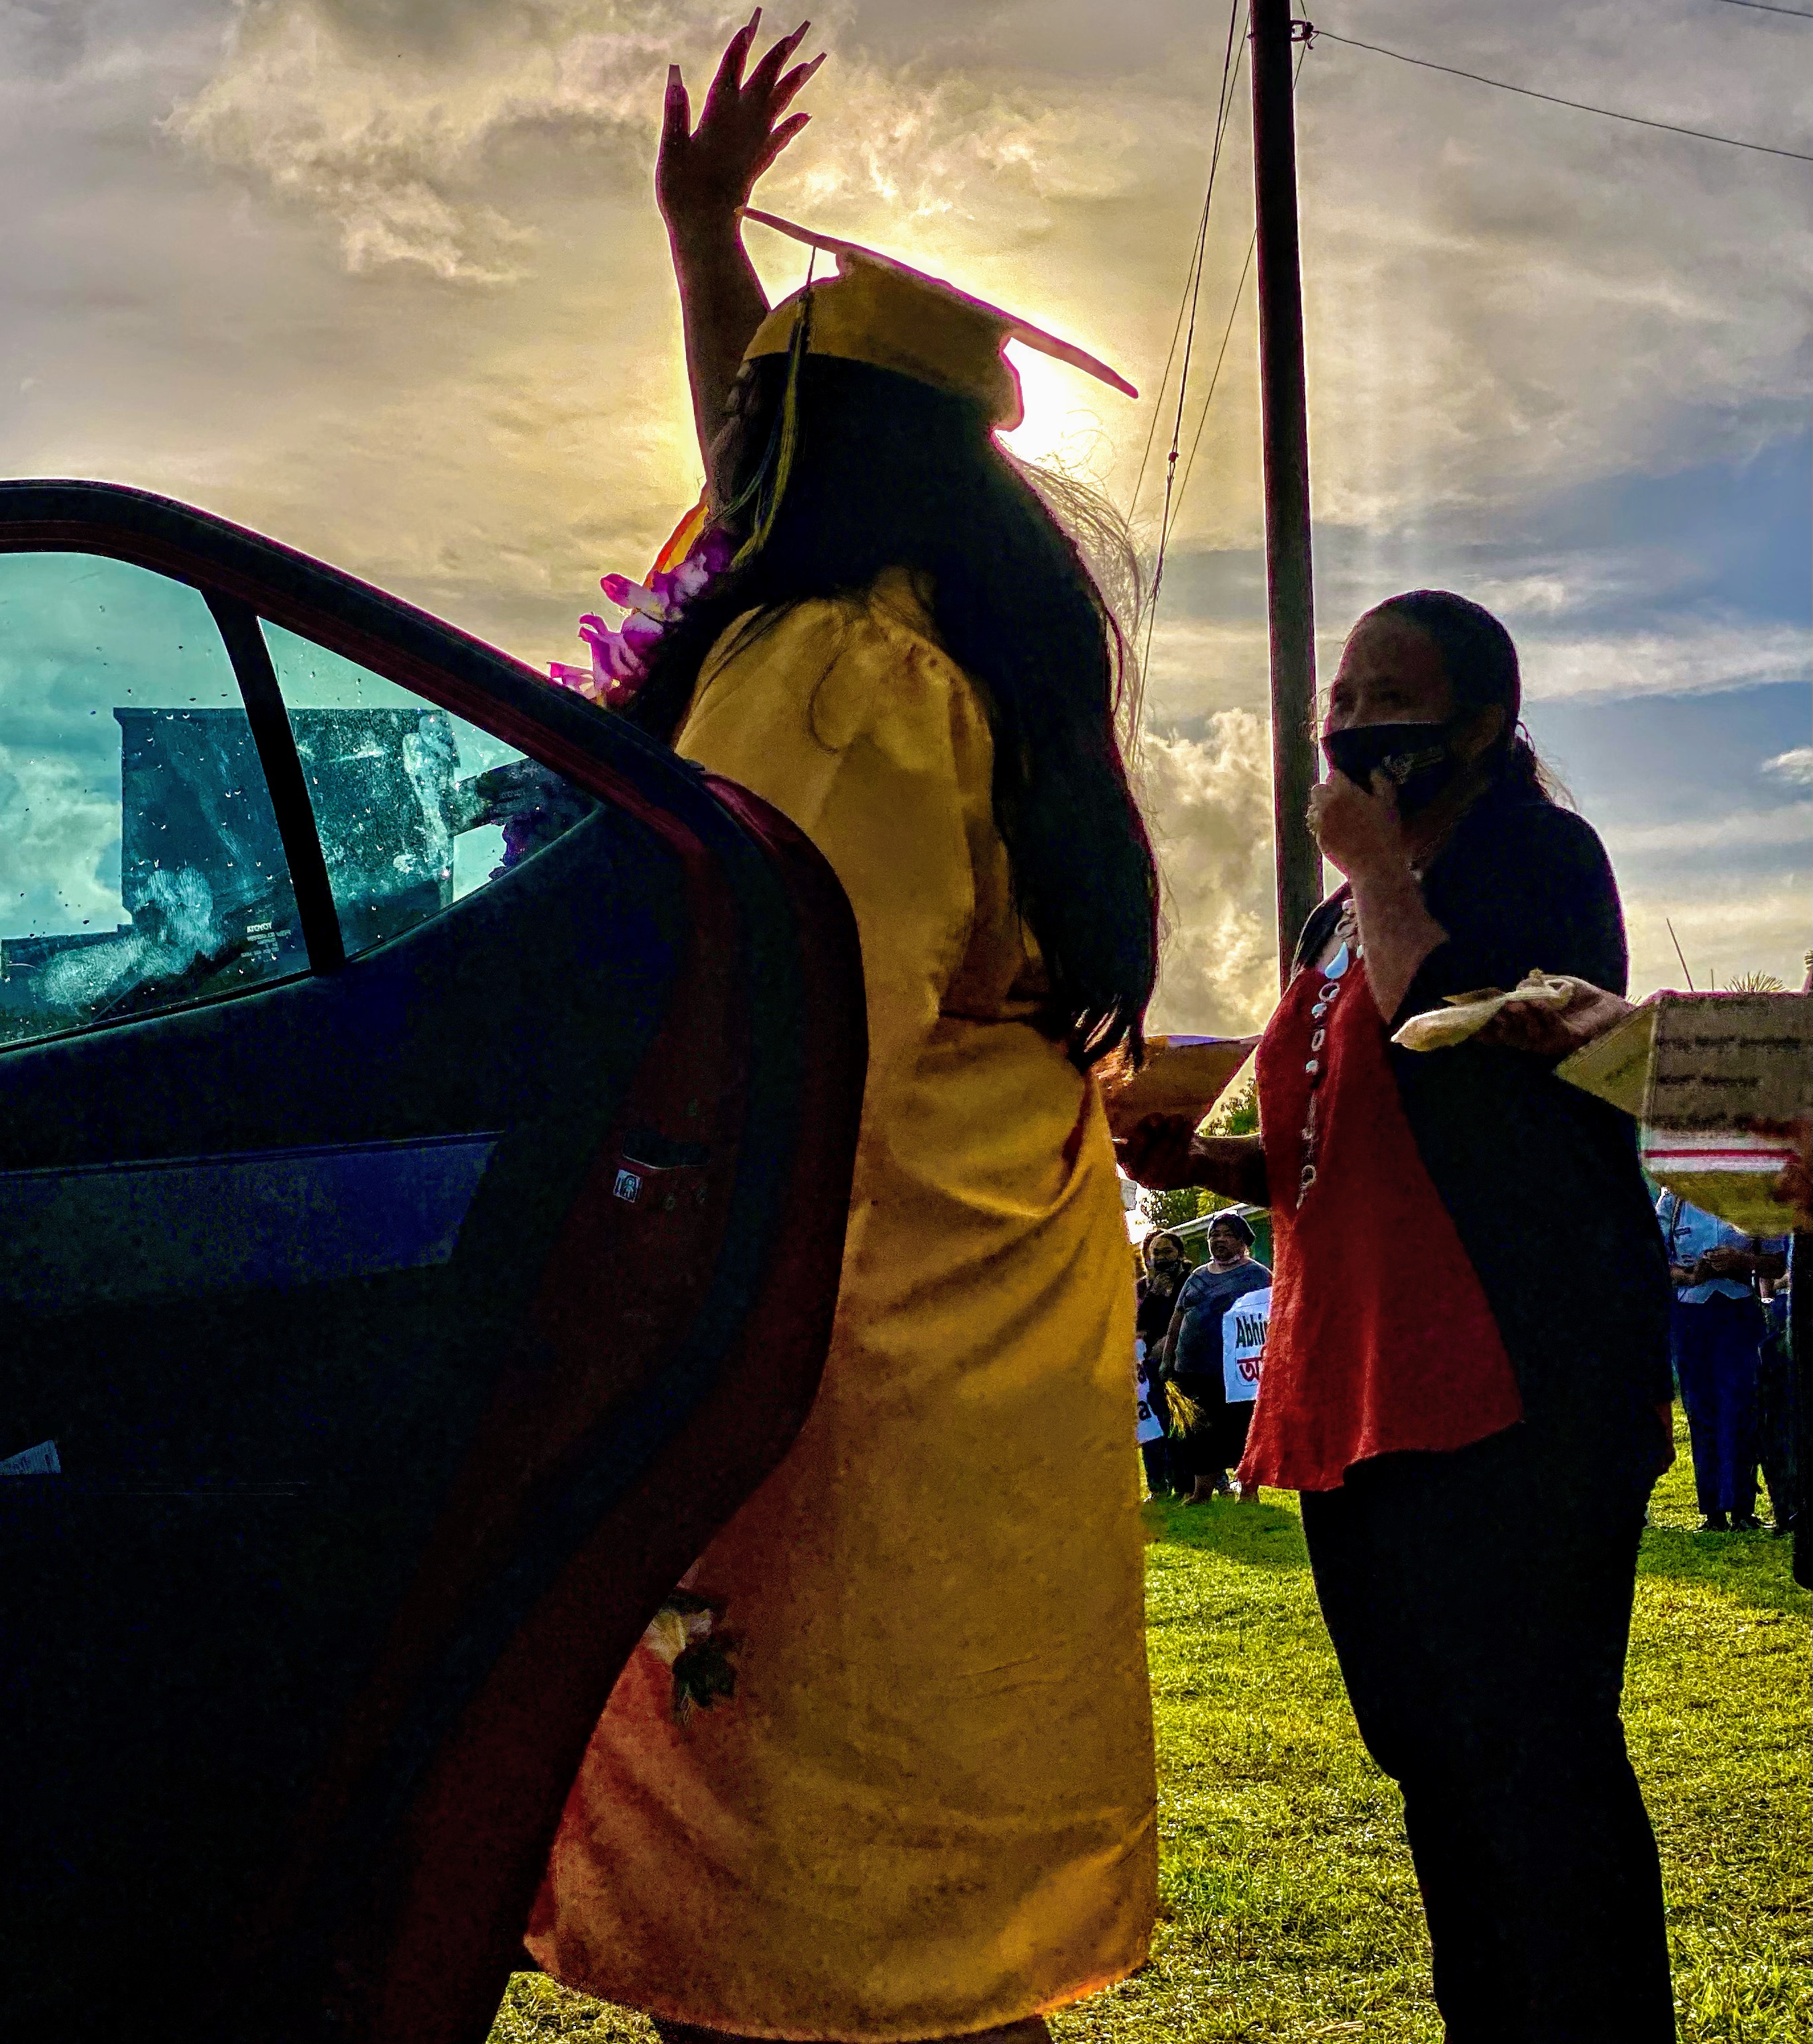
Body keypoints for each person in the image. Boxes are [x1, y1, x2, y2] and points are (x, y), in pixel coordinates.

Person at [528, 21, 1161, 2043]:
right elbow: (758, 453)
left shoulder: (838, 673)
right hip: (971, 1321)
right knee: (919, 1905)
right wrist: (703, 237)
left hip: (845, 1346)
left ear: (810, 452)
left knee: (816, 1926)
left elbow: (791, 1042)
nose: (720, 461)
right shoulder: (929, 635)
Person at [1120, 590, 1676, 2041]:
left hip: (1515, 1376)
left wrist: (1373, 869)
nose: (1358, 724)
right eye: (1342, 703)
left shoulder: (1533, 858)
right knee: (1429, 1759)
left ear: (1486, 722)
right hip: (1358, 1381)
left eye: (1392, 698)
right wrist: (1202, 1159)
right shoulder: (1327, 915)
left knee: (1534, 1761)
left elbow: (1472, 1063)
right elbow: (1331, 1148)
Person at [1658, 1190, 1775, 1532]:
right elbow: (1653, 1259)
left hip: (1737, 1308)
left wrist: (1742, 1261)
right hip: (1691, 1312)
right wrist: (1691, 1275)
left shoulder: (1747, 1194)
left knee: (1739, 1405)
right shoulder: (1674, 1200)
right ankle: (1712, 1510)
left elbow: (1778, 1260)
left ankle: (1740, 1507)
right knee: (1700, 1407)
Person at [1162, 1211, 1271, 1505]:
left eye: (1226, 1235)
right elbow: (1179, 1316)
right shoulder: (1197, 1276)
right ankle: (1202, 1492)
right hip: (1193, 1368)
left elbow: (1273, 1317)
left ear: (1242, 1241)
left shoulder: (1257, 1275)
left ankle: (1249, 1490)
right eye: (1213, 1235)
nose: (1217, 1240)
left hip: (1237, 1373)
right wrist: (1168, 1358)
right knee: (1200, 1432)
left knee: (1242, 1428)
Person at [1135, 1231, 1188, 1495]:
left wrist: (1170, 1340)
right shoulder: (1143, 1288)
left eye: (1167, 1251)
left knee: (1186, 1423)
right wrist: (1154, 1293)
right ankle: (1158, 1486)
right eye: (1156, 1253)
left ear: (1180, 1253)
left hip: (1187, 1361)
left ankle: (1189, 1484)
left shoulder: (1192, 1280)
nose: (1162, 1258)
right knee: (1154, 1424)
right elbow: (1136, 1324)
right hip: (1150, 1367)